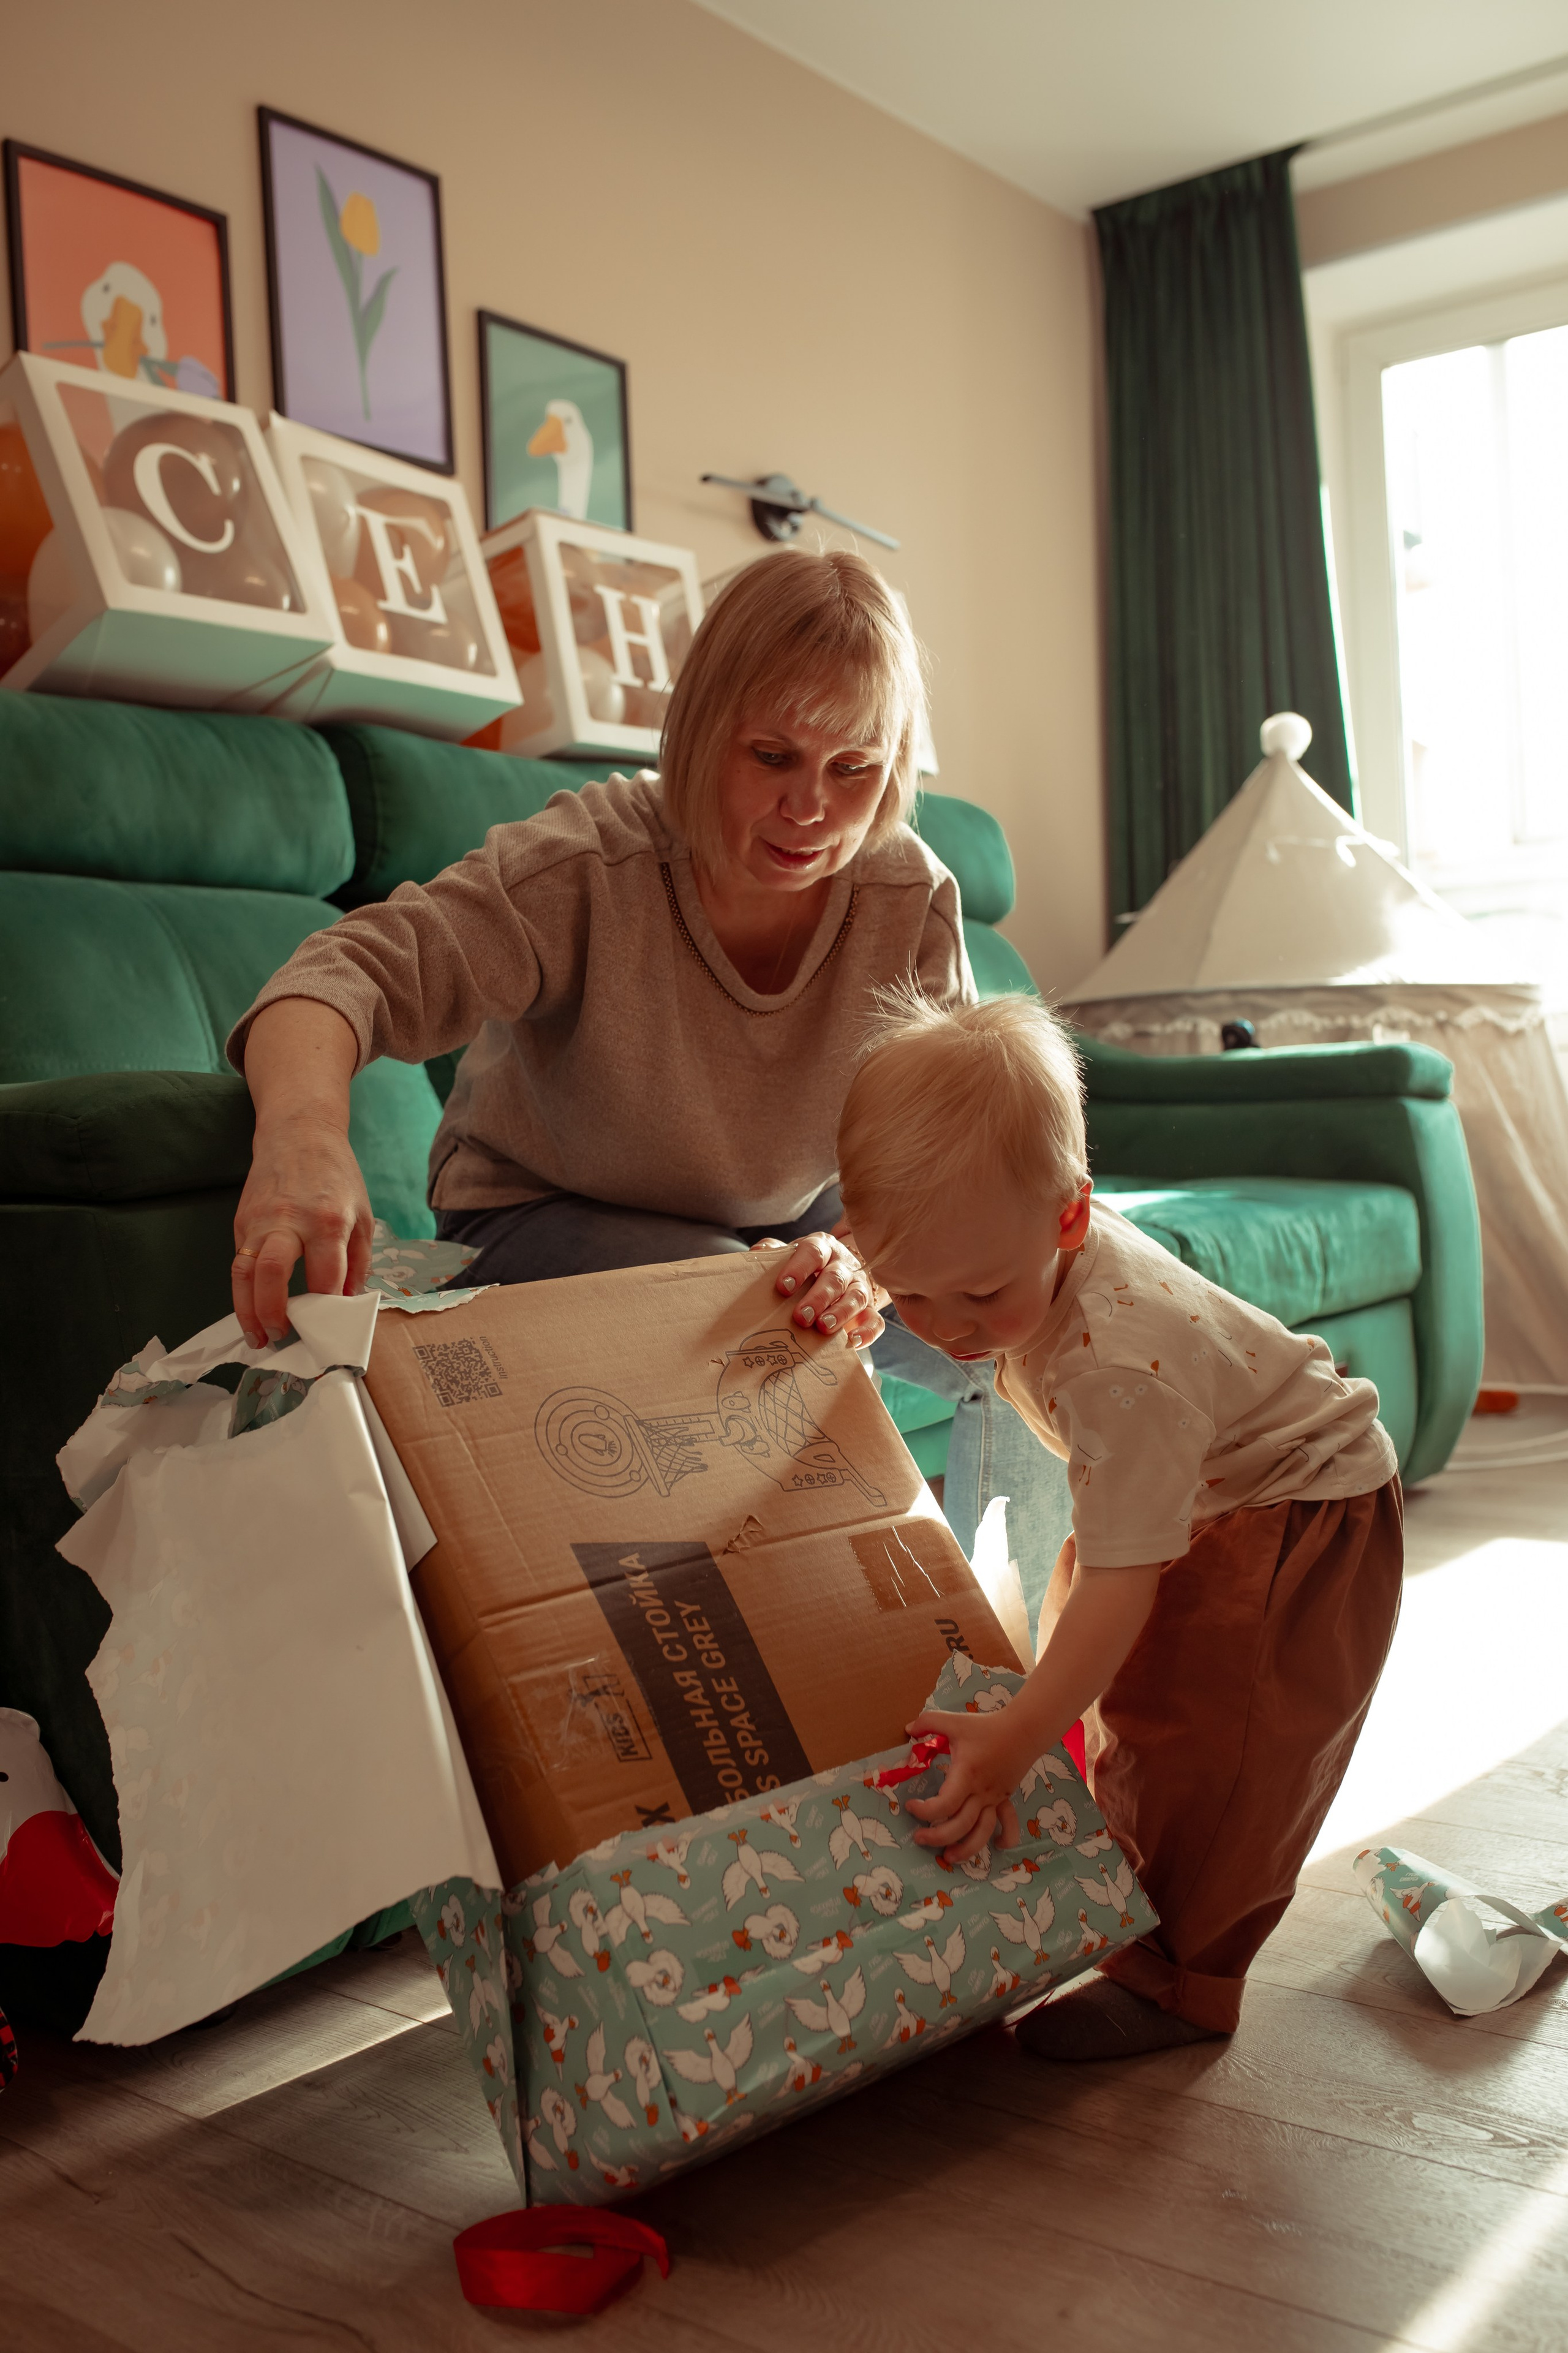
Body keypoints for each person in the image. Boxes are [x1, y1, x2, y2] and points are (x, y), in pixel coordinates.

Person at [223, 546, 1068, 1562]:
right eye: (771, 756)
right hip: (539, 1211)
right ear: (703, 730)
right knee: (754, 1316)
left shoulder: (908, 894)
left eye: (853, 769)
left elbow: (946, 1153)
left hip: (785, 1223)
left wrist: (863, 1255)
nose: (810, 808)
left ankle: (1005, 1684)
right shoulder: (586, 862)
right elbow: (337, 973)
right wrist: (304, 1138)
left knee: (1027, 1331)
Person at [835, 989, 1404, 2060]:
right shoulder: (1006, 1247)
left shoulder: (1117, 1370)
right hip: (1216, 1490)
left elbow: (1118, 1586)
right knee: (1129, 1716)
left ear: (1070, 1218)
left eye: (980, 1296)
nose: (949, 1332)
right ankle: (1125, 1911)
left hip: (1295, 1515)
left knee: (1208, 1755)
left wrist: (1009, 1740)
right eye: (908, 1293)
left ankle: (1175, 1986)